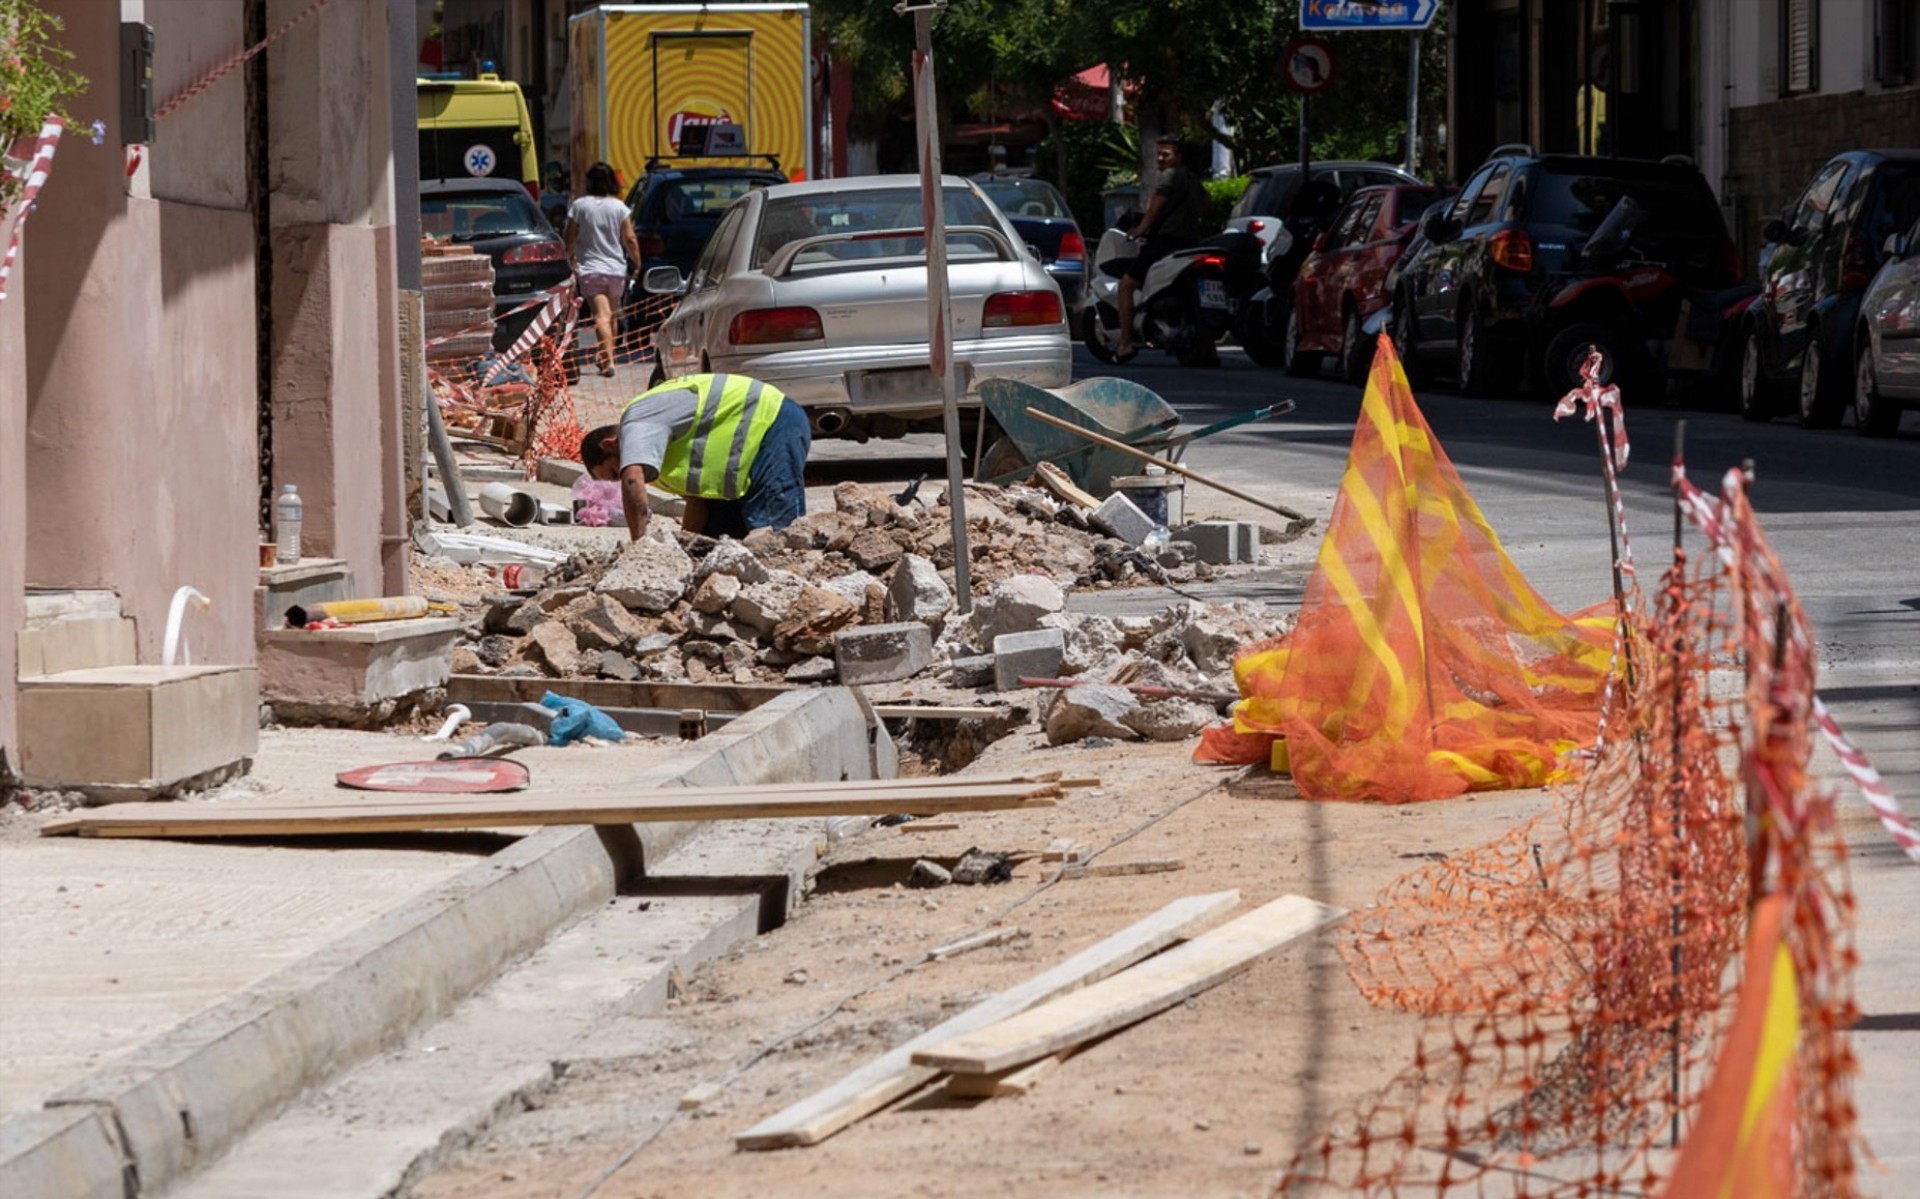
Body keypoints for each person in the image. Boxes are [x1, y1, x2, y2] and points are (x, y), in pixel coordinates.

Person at [580, 373, 812, 542]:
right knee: (718, 538)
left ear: (610, 445)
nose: (620, 478)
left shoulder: (637, 420)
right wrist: (687, 545)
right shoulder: (655, 451)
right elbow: (697, 502)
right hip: (750, 446)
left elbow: (632, 480)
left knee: (772, 530)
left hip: (772, 420)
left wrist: (639, 547)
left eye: (614, 471)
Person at [1115, 134, 1205, 362]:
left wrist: (1139, 229)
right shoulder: (1194, 181)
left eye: (1166, 154)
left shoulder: (1169, 177)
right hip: (1190, 244)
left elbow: (1155, 209)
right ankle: (1208, 348)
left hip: (1165, 243)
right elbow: (1207, 204)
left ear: (1179, 157)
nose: (1160, 159)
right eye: (1158, 154)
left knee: (1126, 286)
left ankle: (1125, 343)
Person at [564, 161, 642, 377]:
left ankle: (607, 361)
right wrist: (637, 262)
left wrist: (568, 256)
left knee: (601, 315)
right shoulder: (619, 207)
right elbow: (630, 238)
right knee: (613, 315)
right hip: (616, 270)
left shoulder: (579, 206)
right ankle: (608, 356)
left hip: (591, 269)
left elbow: (569, 237)